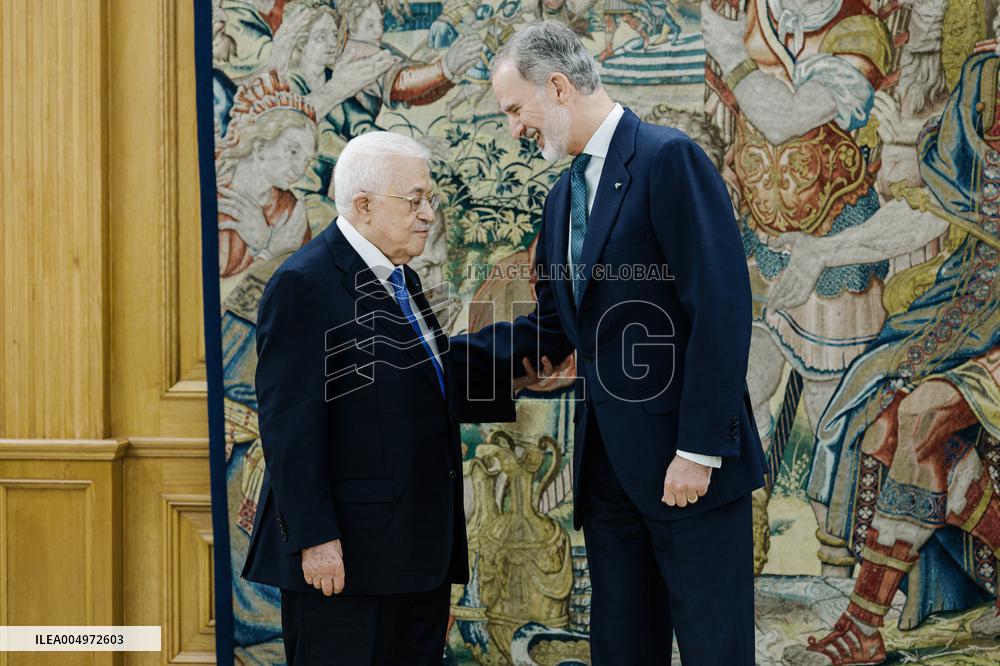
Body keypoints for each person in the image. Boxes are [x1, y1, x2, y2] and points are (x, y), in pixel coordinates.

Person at [467, 20, 768, 664]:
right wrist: (444, 371)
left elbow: (720, 305)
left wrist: (699, 449)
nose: (514, 127)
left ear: (556, 87)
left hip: (688, 472)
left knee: (718, 652)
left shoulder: (667, 158)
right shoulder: (559, 200)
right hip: (608, 480)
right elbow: (553, 329)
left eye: (515, 108)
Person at [240, 131, 550, 663]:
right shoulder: (305, 284)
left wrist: (547, 336)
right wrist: (316, 540)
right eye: (415, 200)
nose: (428, 213)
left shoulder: (395, 276)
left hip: (410, 557)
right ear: (362, 204)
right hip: (346, 564)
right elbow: (290, 427)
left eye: (428, 198)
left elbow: (427, 376)